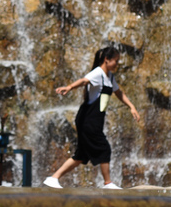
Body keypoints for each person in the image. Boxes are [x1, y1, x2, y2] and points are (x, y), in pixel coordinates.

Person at [43, 46, 141, 189]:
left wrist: (131, 106)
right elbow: (84, 81)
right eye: (116, 61)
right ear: (106, 60)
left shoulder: (110, 77)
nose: (117, 64)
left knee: (80, 156)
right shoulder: (98, 73)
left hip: (95, 119)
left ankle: (53, 178)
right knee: (104, 148)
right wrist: (69, 87)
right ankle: (107, 183)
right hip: (88, 119)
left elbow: (119, 93)